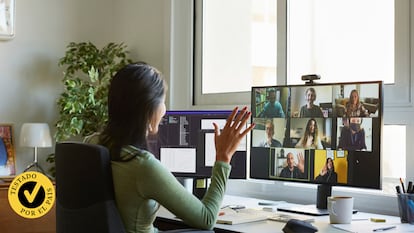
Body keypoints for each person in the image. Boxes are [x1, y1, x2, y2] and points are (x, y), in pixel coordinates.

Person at [88, 62, 255, 233]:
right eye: (163, 101)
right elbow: (207, 219)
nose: (165, 110)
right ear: (149, 110)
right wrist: (223, 157)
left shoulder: (91, 144)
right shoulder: (142, 166)